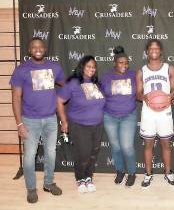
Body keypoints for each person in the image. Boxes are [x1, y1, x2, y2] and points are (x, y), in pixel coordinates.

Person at [10, 37, 64, 203]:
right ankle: (31, 188)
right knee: (29, 156)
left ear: (45, 49)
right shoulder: (21, 70)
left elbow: (66, 84)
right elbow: (16, 98)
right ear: (29, 50)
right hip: (29, 121)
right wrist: (19, 123)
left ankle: (48, 183)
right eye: (34, 47)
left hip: (50, 120)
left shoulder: (55, 67)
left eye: (40, 46)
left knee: (50, 154)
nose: (37, 49)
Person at [57, 55, 105, 193]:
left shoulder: (96, 84)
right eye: (89, 66)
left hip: (97, 125)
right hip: (79, 125)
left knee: (93, 153)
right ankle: (80, 179)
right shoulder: (73, 83)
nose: (91, 69)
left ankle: (88, 177)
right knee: (82, 154)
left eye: (94, 67)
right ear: (82, 66)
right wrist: (64, 121)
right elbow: (59, 101)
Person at [136, 39, 174, 188]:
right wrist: (145, 97)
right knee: (148, 145)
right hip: (148, 112)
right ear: (147, 51)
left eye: (157, 48)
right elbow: (138, 94)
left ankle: (168, 173)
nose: (154, 50)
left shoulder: (169, 68)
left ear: (161, 51)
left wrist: (168, 97)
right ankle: (148, 174)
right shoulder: (141, 71)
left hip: (164, 111)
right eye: (151, 48)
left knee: (166, 144)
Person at [101, 46, 137, 187]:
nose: (124, 65)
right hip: (109, 116)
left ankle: (132, 172)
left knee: (127, 146)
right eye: (121, 62)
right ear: (115, 62)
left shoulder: (134, 75)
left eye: (126, 62)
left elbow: (141, 90)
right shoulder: (106, 76)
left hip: (128, 115)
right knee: (116, 147)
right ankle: (120, 170)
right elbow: (100, 95)